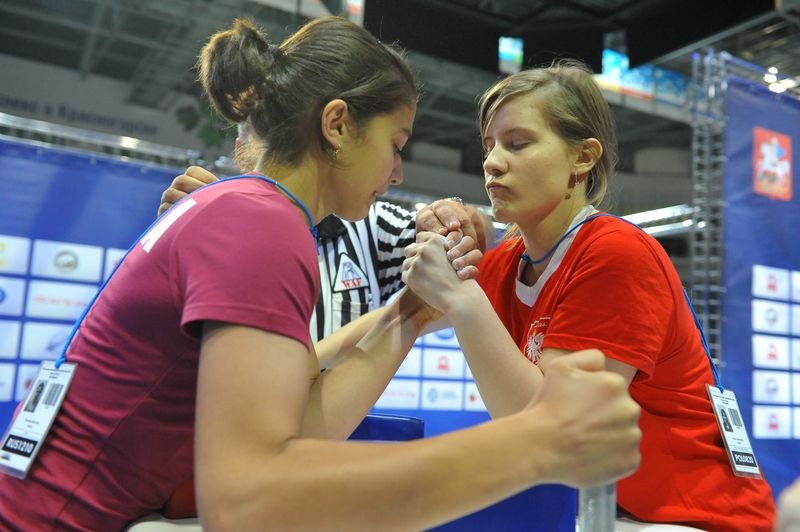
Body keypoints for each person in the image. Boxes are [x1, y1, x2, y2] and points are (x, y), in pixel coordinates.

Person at [0, 18, 641, 530]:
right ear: (337, 125)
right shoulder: (262, 222)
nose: (396, 173)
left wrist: (408, 316)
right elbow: (250, 503)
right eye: (396, 144)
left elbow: (298, 417)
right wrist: (538, 443)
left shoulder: (243, 208)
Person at [404, 59, 776, 531]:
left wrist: (462, 299)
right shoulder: (504, 264)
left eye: (518, 143)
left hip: (695, 519)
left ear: (583, 157)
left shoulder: (615, 252)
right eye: (490, 146)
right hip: (605, 511)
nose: (493, 162)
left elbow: (552, 432)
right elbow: (398, 320)